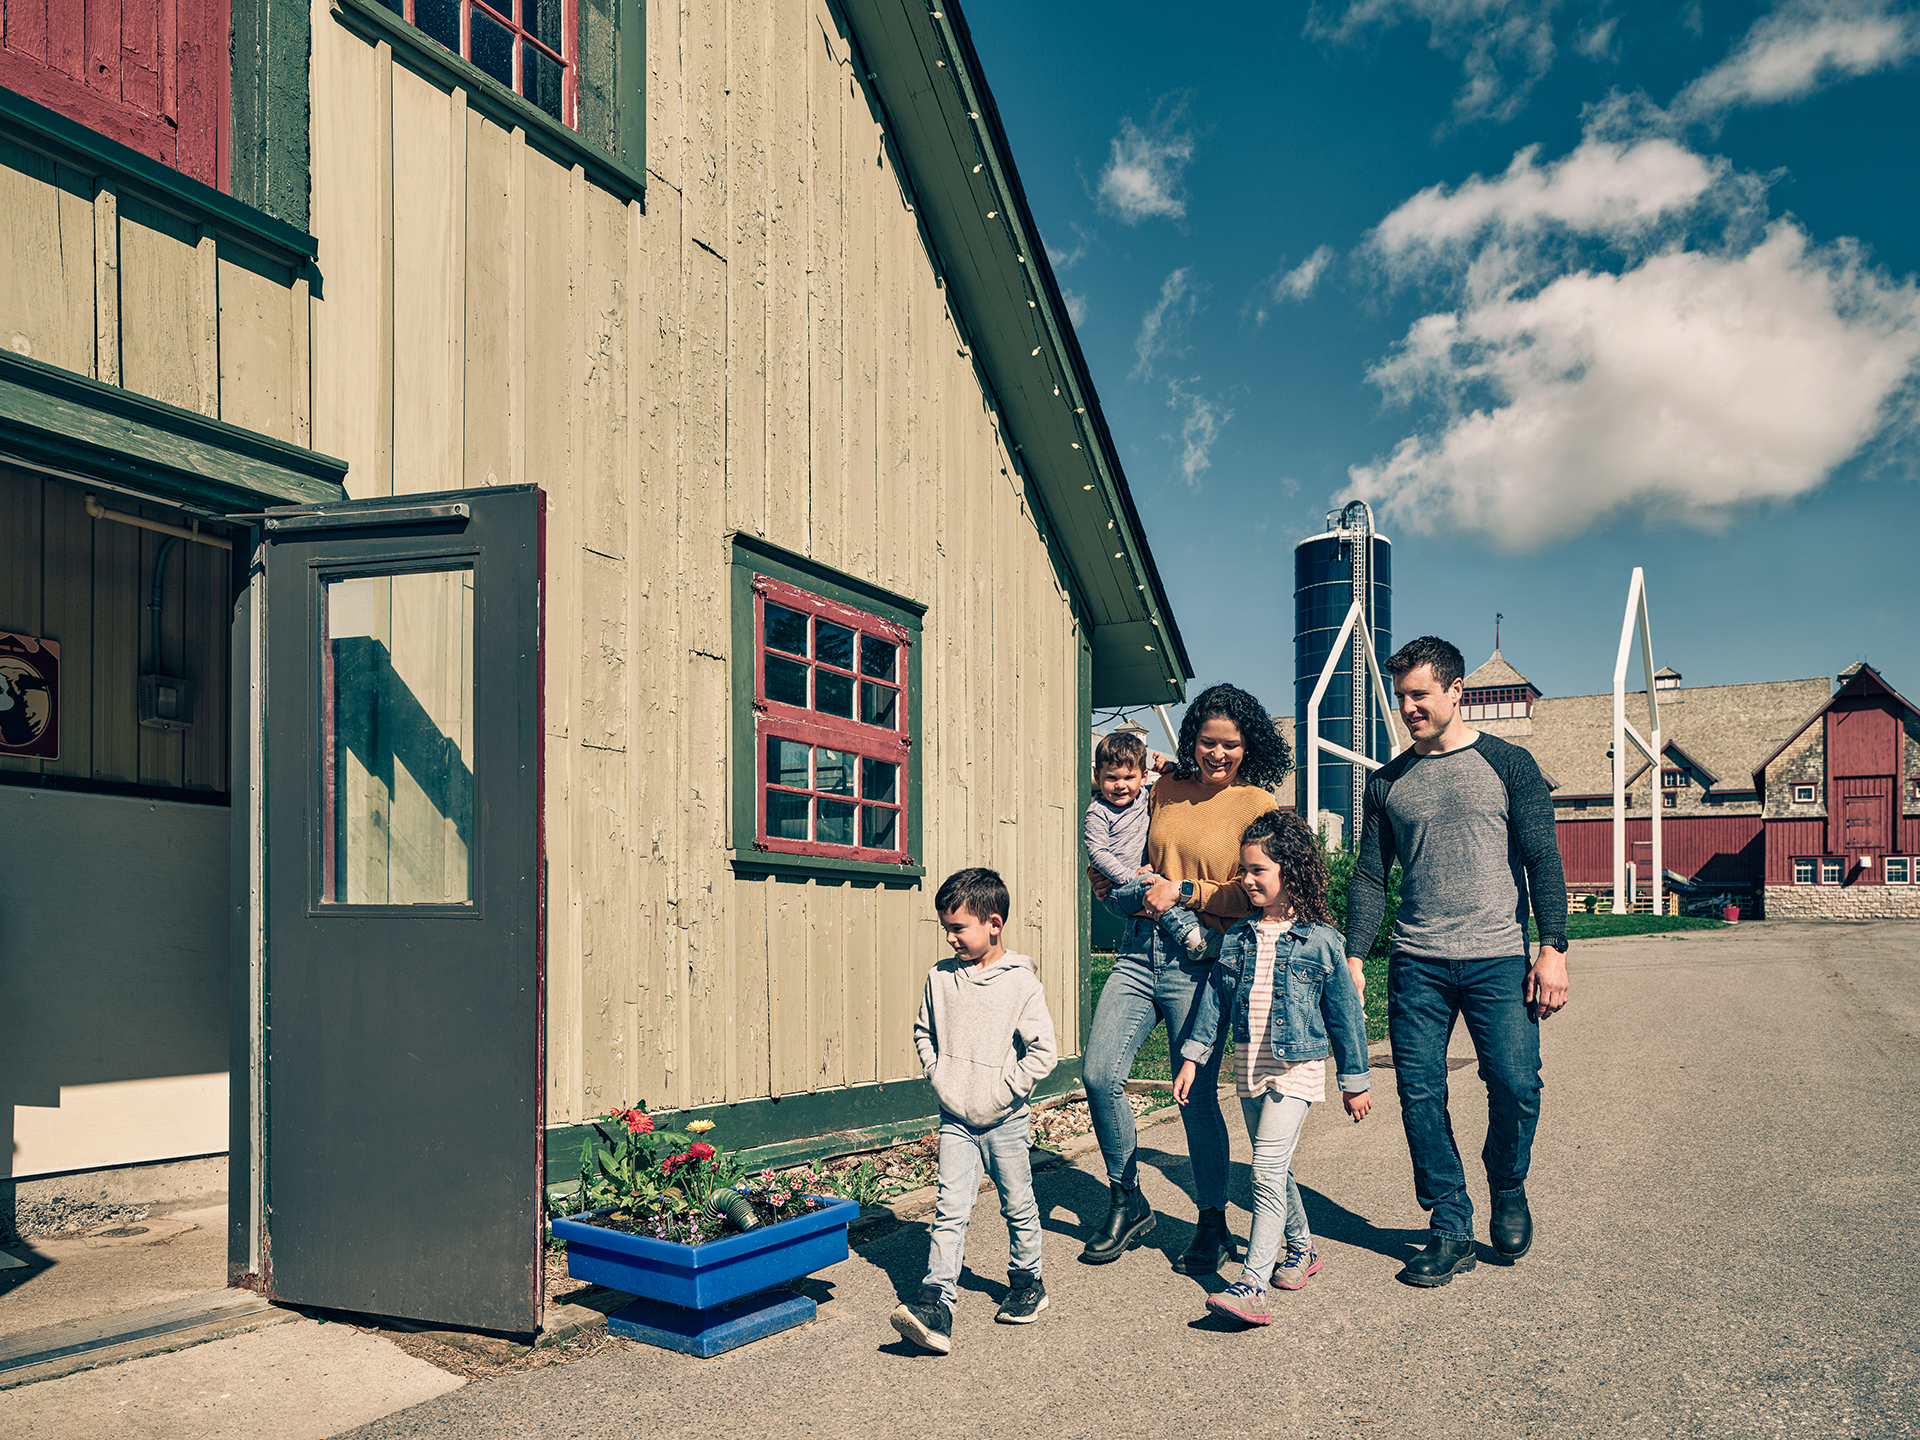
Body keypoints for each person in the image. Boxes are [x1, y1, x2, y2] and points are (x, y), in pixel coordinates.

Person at [1344, 636, 1570, 1288]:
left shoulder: (1509, 764)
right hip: (1418, 963)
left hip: (1498, 956)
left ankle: (1508, 1183)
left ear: (1454, 691)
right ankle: (1449, 1226)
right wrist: (1356, 955)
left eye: (1420, 694)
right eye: (1401, 695)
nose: (1408, 706)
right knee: (1420, 1096)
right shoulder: (1387, 783)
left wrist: (1551, 948)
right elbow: (1367, 878)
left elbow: (1542, 859)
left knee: (1516, 1083)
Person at [1081, 683, 1290, 1274]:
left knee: (1194, 1094)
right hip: (1138, 949)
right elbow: (1123, 832)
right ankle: (1128, 1197)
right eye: (1207, 742)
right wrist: (1110, 882)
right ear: (1191, 738)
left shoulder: (1257, 805)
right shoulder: (1164, 785)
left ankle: (1211, 1220)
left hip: (1201, 957)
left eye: (1230, 745)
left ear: (1248, 746)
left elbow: (1256, 889)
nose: (1217, 754)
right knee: (1099, 1074)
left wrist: (1189, 890)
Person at [1171, 811, 1371, 1325]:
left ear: (1293, 871)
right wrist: (1193, 1058)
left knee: (1263, 1169)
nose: (1247, 879)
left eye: (1259, 869)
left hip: (1296, 1066)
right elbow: (1214, 1002)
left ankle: (1252, 1284)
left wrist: (1355, 1081)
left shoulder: (1321, 940)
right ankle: (1302, 1249)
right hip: (1249, 1063)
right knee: (1273, 1169)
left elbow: (1345, 1016)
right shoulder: (1238, 937)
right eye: (1244, 869)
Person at [890, 868, 1058, 1354]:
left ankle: (1028, 1283)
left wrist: (1005, 1091)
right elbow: (924, 1031)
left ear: (994, 923)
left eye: (959, 927)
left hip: (1006, 1120)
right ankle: (936, 1302)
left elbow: (1043, 1051)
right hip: (955, 1120)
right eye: (945, 927)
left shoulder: (1021, 984)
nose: (951, 937)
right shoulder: (940, 978)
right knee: (949, 1210)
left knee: (1018, 1204)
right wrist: (939, 1075)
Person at [1084, 729, 1209, 957]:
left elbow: (1183, 781)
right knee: (1155, 887)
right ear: (1097, 776)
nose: (1120, 785)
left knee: (1161, 889)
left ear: (1143, 777)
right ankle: (1193, 935)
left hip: (1142, 881)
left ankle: (1192, 938)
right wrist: (1130, 875)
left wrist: (1171, 768)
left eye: (1128, 778)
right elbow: (1098, 853)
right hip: (1117, 891)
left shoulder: (1146, 796)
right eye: (1111, 777)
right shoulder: (1098, 812)